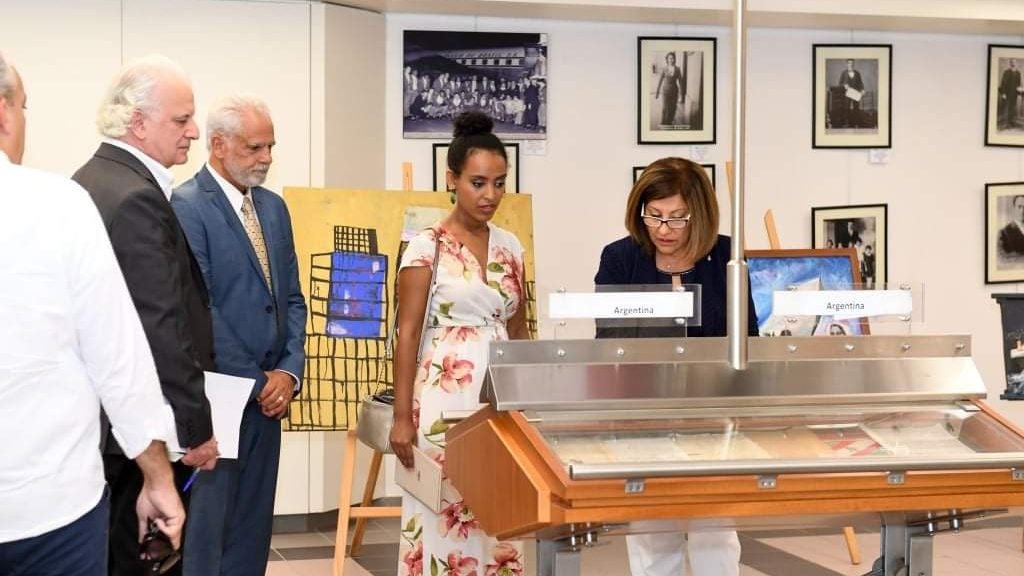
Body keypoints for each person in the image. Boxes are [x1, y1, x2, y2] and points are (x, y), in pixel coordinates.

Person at [0, 51, 185, 576]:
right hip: (50, 514)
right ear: (3, 113)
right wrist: (157, 478)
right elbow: (117, 358)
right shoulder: (59, 204)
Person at [72, 54, 219, 576]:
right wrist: (196, 426)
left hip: (103, 428)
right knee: (143, 560)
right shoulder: (135, 196)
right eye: (181, 120)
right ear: (138, 122)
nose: (194, 132)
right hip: (137, 434)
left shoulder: (90, 180)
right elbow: (160, 325)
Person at [594, 157, 755, 576]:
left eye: (677, 218)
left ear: (698, 214)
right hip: (643, 414)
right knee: (651, 532)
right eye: (654, 216)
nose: (663, 229)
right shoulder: (619, 258)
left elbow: (747, 339)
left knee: (715, 531)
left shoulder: (727, 256)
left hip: (715, 414)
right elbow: (610, 344)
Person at [171, 95, 307, 576]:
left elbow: (291, 298)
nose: (266, 157)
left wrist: (289, 372)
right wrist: (256, 381)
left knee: (252, 526)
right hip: (220, 395)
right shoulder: (187, 206)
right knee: (209, 530)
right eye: (254, 148)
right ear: (218, 145)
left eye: (270, 146)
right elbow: (199, 308)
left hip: (272, 397)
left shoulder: (273, 208)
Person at [389, 111, 530, 576]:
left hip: (499, 400)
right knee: (442, 518)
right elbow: (406, 333)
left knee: (499, 513)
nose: (490, 195)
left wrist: (528, 404)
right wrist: (401, 418)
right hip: (443, 399)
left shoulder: (512, 246)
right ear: (451, 180)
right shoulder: (426, 246)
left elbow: (519, 329)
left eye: (499, 182)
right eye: (477, 183)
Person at [655, 52, 685, 127]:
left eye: (673, 58)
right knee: (665, 108)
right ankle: (663, 122)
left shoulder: (677, 69)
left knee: (673, 108)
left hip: (674, 91)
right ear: (667, 60)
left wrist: (681, 95)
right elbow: (660, 80)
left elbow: (681, 82)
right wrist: (657, 92)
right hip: (665, 91)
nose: (671, 60)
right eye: (670, 58)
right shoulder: (664, 69)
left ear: (674, 59)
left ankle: (669, 121)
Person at [835, 59, 864, 128]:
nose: (850, 65)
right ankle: (846, 123)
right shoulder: (843, 73)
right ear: (847, 64)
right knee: (846, 108)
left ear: (853, 64)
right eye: (849, 63)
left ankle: (855, 123)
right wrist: (844, 85)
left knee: (856, 108)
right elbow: (840, 83)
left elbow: (860, 83)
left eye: (852, 63)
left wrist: (862, 90)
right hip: (847, 94)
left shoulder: (857, 73)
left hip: (855, 93)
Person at [1000, 59, 1022, 129]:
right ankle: (1004, 124)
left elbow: (1018, 84)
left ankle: (1010, 122)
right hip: (1007, 93)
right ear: (1010, 64)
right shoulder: (1006, 72)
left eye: (1015, 62)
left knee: (1012, 108)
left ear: (1016, 63)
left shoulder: (1018, 73)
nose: (1013, 63)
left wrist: (1019, 90)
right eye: (1012, 62)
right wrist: (1003, 93)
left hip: (1014, 94)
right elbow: (1003, 83)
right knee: (1006, 108)